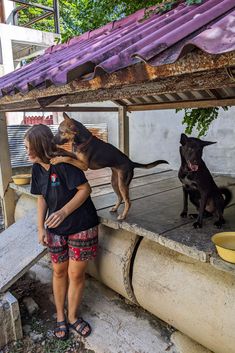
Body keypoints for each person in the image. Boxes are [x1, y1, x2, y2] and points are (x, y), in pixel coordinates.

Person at [24, 124, 99, 340]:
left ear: (40, 147)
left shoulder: (63, 163)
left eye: (30, 147)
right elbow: (41, 197)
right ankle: (60, 316)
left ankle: (73, 316)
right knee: (58, 271)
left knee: (75, 274)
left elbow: (86, 189)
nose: (27, 151)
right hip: (55, 228)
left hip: (81, 224)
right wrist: (40, 228)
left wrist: (64, 211)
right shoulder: (37, 168)